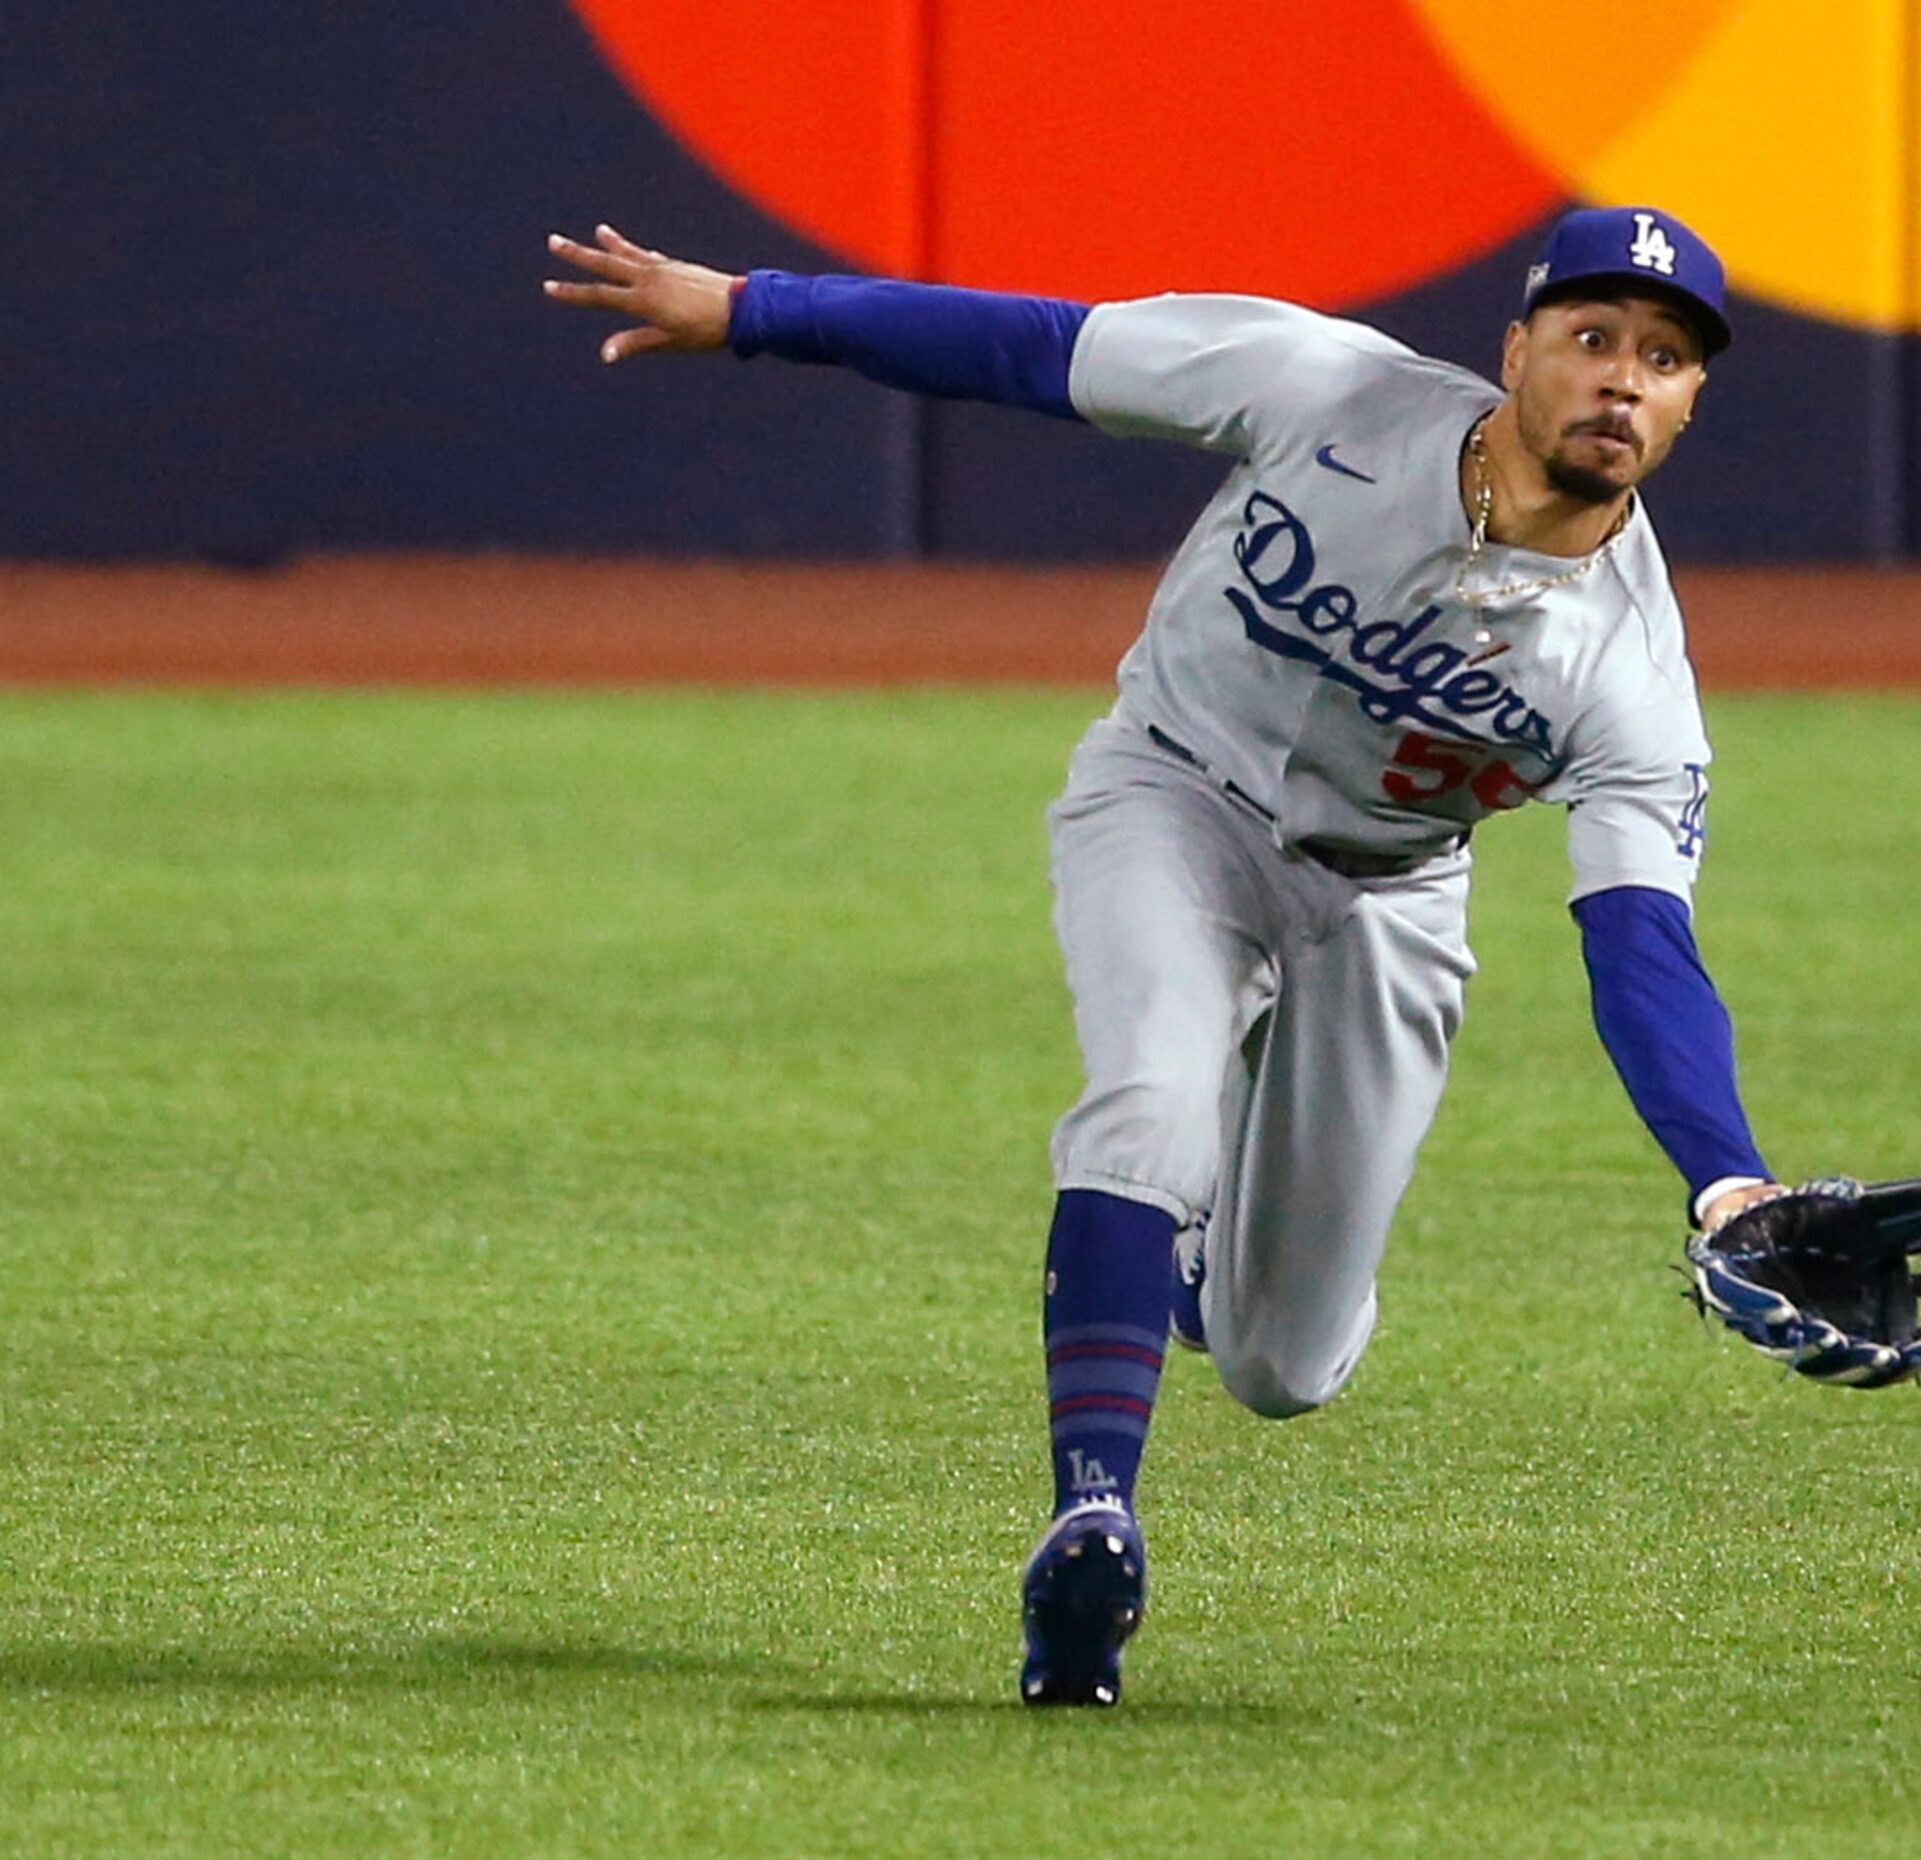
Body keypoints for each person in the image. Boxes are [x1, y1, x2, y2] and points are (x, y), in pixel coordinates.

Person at [543, 207, 1784, 1706]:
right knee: (1146, 1104)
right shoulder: (1319, 386)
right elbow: (1030, 344)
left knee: (1283, 1364)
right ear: (1515, 350)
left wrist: (1725, 1175)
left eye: (1662, 358)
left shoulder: (1634, 678)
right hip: (1174, 797)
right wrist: (751, 306)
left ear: (1692, 400)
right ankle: (1091, 1514)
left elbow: (1639, 942)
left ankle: (1188, 1268)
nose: (1621, 381)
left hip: (1387, 900)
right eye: (1592, 339)